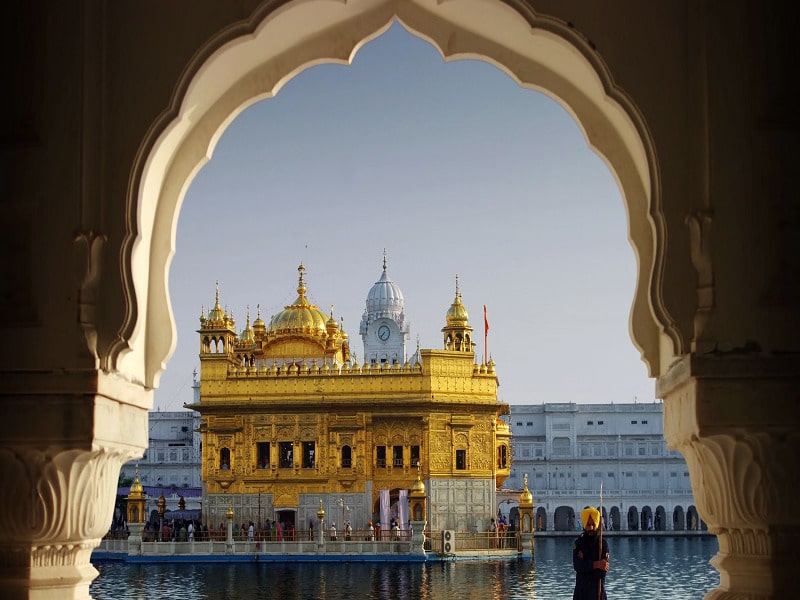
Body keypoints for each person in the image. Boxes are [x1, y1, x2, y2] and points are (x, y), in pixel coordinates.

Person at [572, 507, 610, 600]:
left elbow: (602, 573)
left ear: (597, 525)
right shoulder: (579, 543)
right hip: (581, 593)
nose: (591, 528)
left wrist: (586, 565)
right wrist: (596, 564)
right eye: (588, 525)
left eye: (593, 524)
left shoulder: (602, 545)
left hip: (597, 591)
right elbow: (577, 566)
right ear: (584, 525)